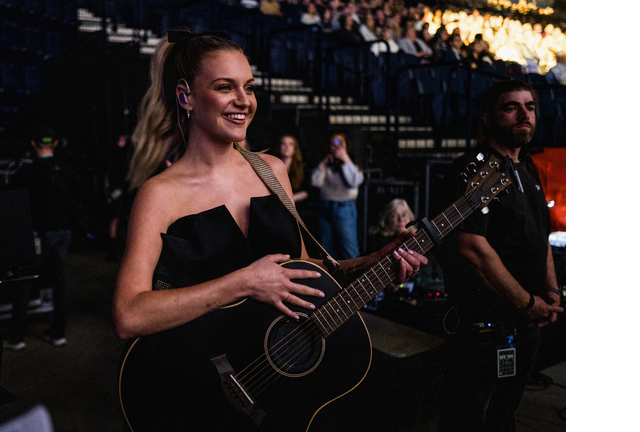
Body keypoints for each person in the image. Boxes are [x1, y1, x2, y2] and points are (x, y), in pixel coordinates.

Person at [112, 30, 426, 429]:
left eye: (249, 87)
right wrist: (243, 282)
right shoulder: (160, 194)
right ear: (186, 96)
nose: (244, 101)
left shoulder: (272, 170)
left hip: (273, 383)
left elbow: (303, 273)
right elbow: (128, 314)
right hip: (198, 386)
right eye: (225, 87)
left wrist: (370, 263)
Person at [436, 80, 564, 432]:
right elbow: (471, 248)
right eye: (512, 107)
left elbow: (541, 239)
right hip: (484, 329)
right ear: (489, 118)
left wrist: (551, 292)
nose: (525, 114)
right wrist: (527, 302)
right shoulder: (473, 168)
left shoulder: (529, 168)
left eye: (530, 106)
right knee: (466, 418)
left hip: (527, 322)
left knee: (503, 414)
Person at [4, 126, 86, 349]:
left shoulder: (28, 171)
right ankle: (58, 333)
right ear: (56, 144)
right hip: (64, 232)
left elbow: (8, 197)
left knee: (25, 281)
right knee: (59, 279)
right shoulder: (67, 169)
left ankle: (16, 337)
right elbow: (81, 194)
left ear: (33, 144)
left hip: (40, 233)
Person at [310, 132, 364, 260]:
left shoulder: (353, 164)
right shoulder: (327, 164)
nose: (337, 146)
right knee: (326, 250)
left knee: (348, 249)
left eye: (340, 143)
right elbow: (315, 182)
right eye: (333, 143)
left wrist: (345, 159)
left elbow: (354, 182)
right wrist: (323, 165)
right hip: (325, 208)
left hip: (344, 208)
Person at [270, 134, 308, 203]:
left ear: (294, 148)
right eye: (283, 143)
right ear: (279, 147)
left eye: (290, 144)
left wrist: (291, 199)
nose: (287, 147)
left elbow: (306, 191)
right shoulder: (271, 167)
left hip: (295, 207)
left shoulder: (302, 168)